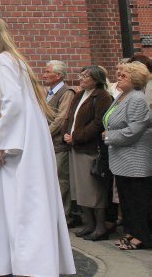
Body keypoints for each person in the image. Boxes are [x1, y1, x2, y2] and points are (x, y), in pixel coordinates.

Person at [0, 17, 75, 276]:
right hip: (30, 139)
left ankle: (30, 264)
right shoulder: (16, 61)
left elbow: (12, 104)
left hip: (20, 146)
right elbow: (12, 107)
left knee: (22, 203)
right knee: (25, 201)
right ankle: (22, 261)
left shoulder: (2, 61)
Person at [103, 62, 152, 250]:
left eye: (123, 75)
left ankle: (141, 237)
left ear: (135, 79)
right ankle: (131, 233)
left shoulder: (137, 98)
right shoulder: (122, 96)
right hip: (121, 159)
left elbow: (134, 130)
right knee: (126, 201)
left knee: (137, 201)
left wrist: (109, 136)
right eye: (119, 74)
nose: (118, 77)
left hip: (135, 160)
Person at [63, 65, 112, 241]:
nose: (81, 78)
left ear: (96, 80)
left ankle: (100, 226)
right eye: (81, 75)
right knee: (80, 189)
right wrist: (67, 135)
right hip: (75, 146)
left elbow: (98, 123)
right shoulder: (78, 95)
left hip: (89, 147)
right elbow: (71, 117)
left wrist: (76, 136)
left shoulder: (102, 96)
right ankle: (88, 224)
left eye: (85, 76)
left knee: (93, 189)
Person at [43, 60, 76, 225]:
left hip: (57, 144)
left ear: (59, 75)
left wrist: (43, 134)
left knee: (61, 180)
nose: (45, 74)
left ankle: (64, 216)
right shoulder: (47, 92)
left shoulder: (66, 92)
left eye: (48, 72)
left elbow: (61, 118)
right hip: (48, 144)